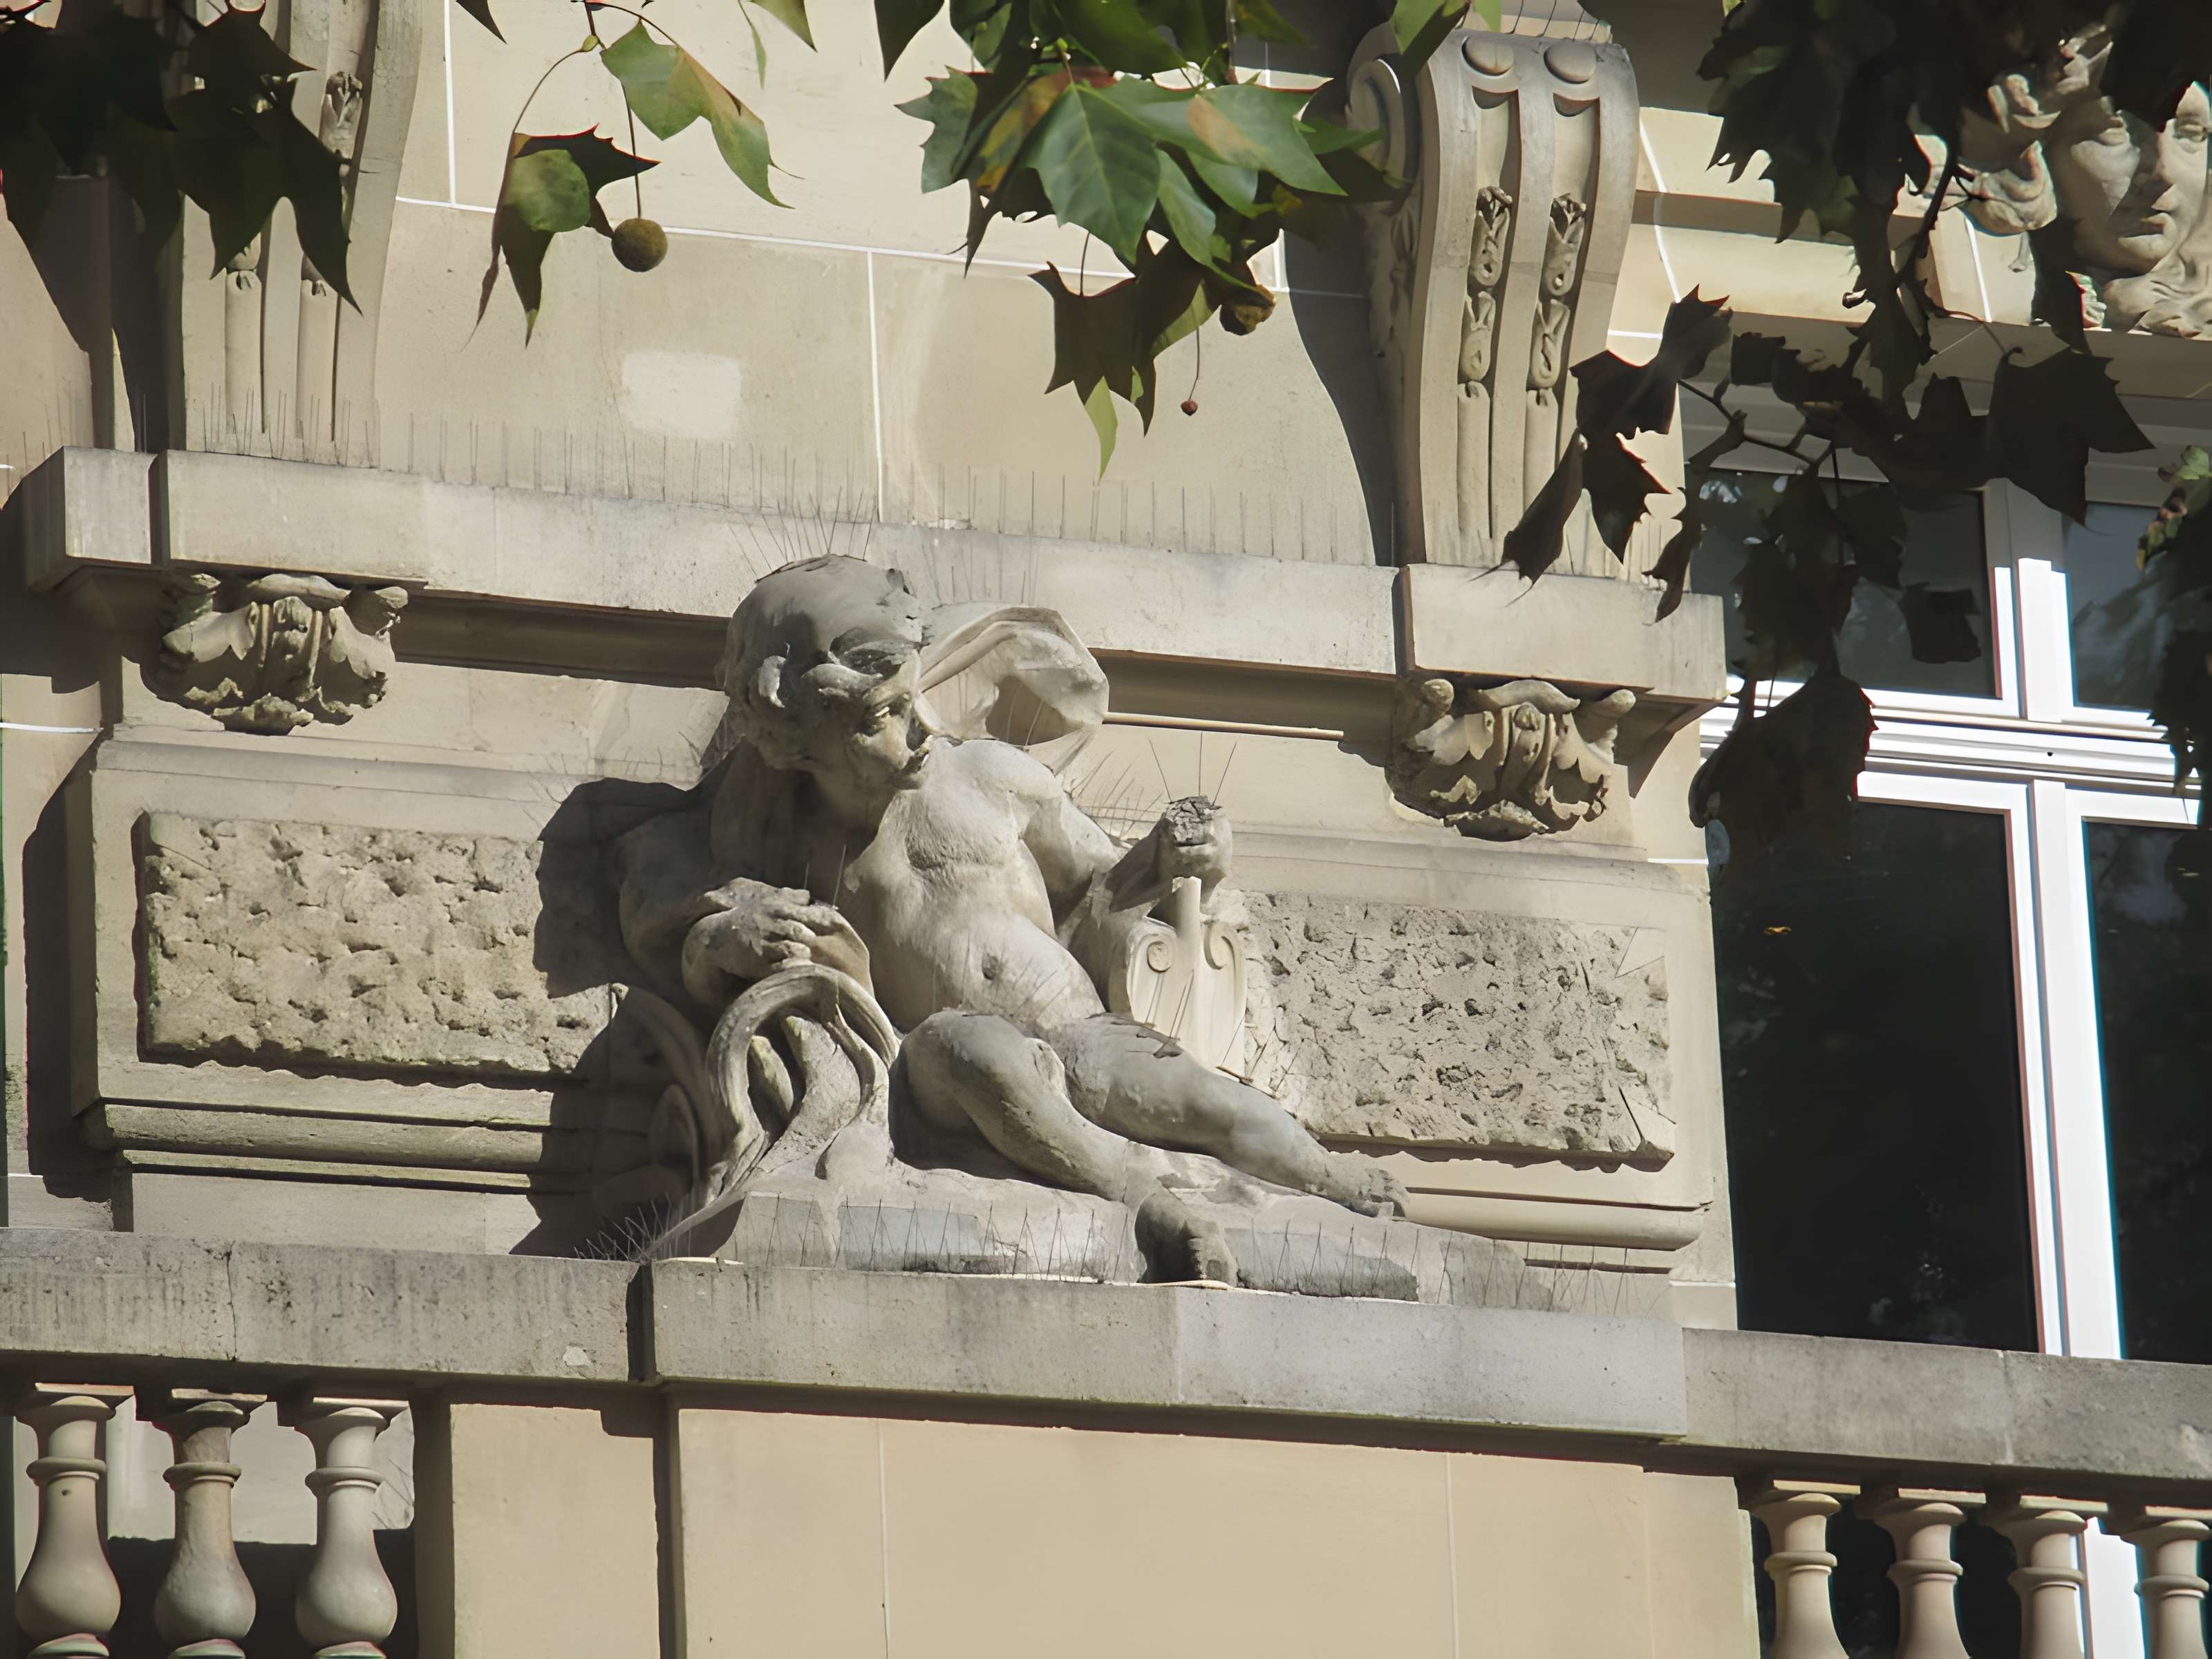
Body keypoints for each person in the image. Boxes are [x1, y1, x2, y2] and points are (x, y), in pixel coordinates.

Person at [615, 555, 1406, 1280]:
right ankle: (1146, 1202)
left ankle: (1327, 1177)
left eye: (914, 696)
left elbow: (1102, 884)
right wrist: (729, 939)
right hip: (941, 1058)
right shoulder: (784, 849)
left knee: (1209, 1106)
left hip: (1078, 1029)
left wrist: (1174, 858)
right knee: (974, 1051)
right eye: (878, 719)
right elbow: (694, 935)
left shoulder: (990, 776)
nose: (919, 728)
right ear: (798, 744)